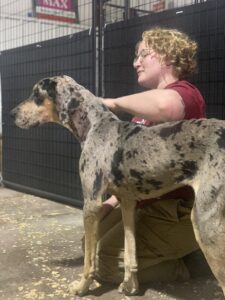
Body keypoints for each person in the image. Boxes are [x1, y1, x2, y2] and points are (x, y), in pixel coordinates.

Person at [95, 27, 206, 284]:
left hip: (171, 210)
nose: (136, 62)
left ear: (167, 56)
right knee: (89, 242)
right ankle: (171, 253)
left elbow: (165, 106)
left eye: (143, 54)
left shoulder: (187, 94)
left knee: (105, 265)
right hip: (141, 204)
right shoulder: (140, 115)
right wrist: (109, 204)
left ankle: (183, 267)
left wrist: (111, 102)